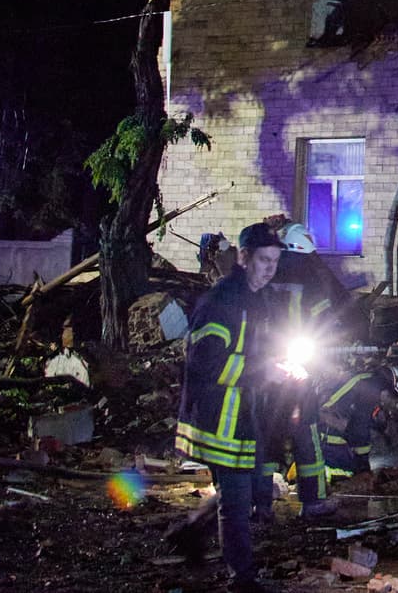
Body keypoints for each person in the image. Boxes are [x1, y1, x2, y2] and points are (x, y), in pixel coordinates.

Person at [172, 221, 289, 591]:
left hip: (240, 415)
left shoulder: (255, 299)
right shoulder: (224, 300)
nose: (270, 268)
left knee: (245, 491)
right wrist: (264, 371)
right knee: (236, 503)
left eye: (275, 260)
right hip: (217, 417)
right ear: (243, 258)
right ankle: (243, 580)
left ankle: (189, 532)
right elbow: (205, 360)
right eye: (263, 260)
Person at [256, 220, 352, 520]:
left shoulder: (269, 275)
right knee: (303, 433)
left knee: (275, 434)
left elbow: (323, 318)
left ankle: (264, 505)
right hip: (282, 369)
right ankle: (308, 502)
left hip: (277, 368)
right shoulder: (301, 277)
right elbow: (325, 317)